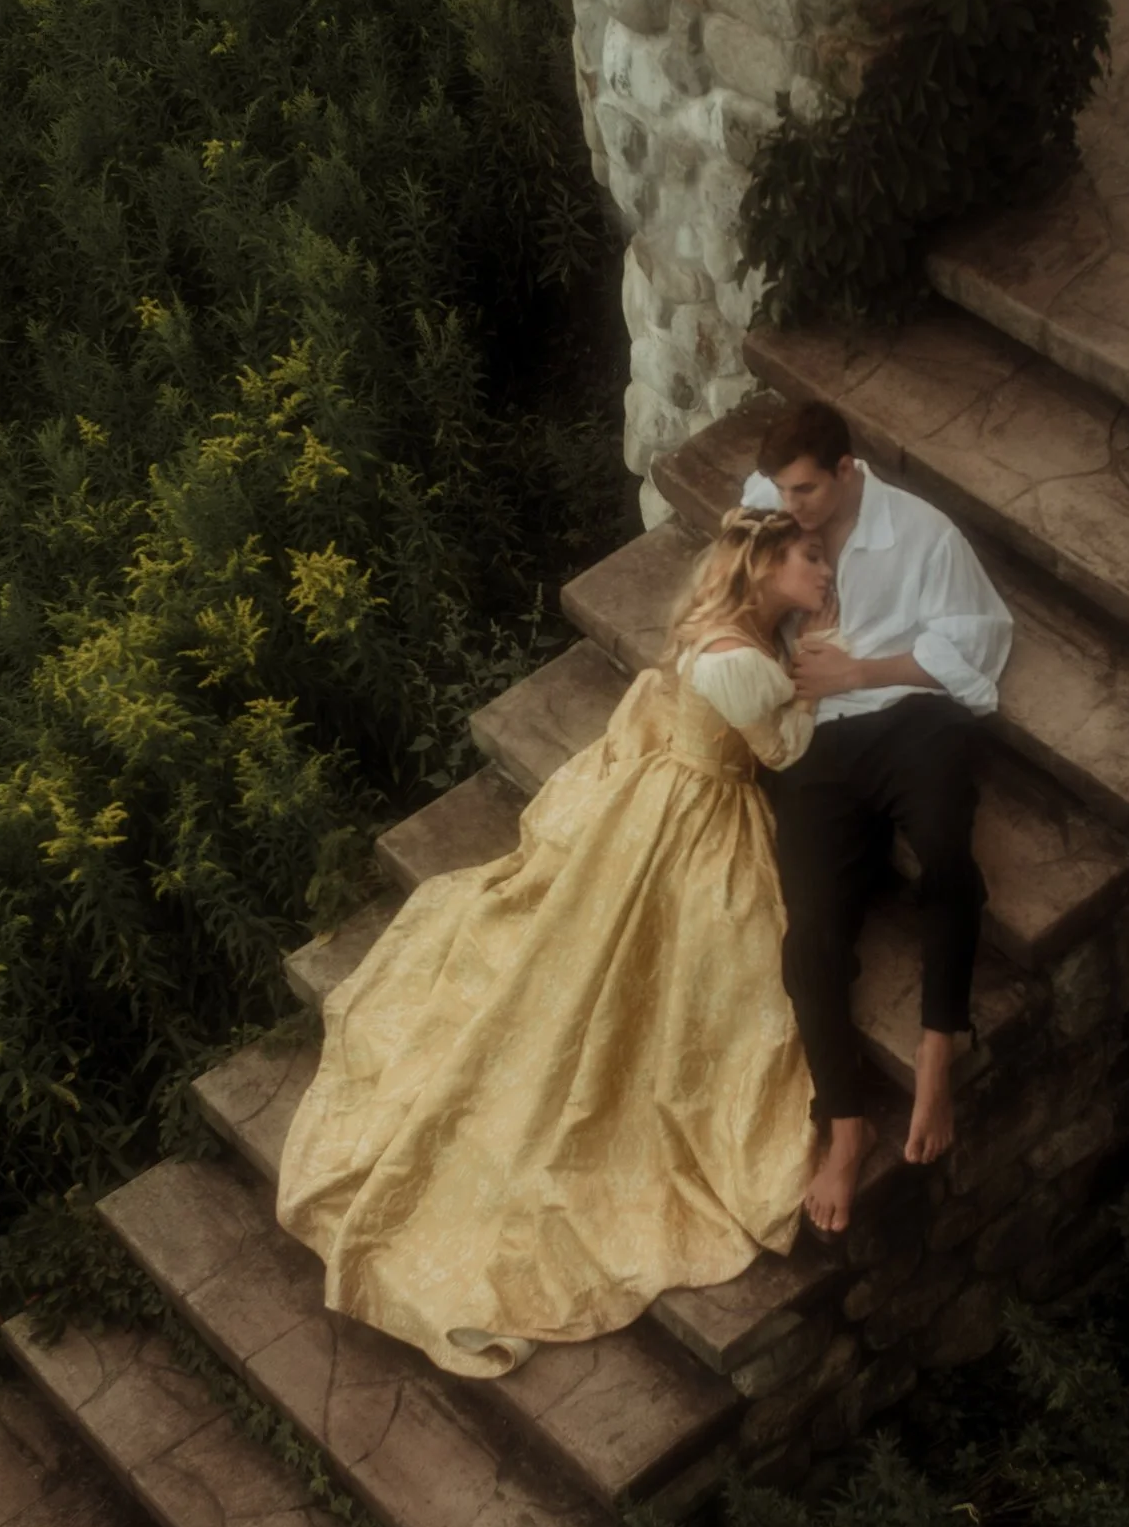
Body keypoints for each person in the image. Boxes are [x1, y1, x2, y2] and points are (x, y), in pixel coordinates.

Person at [274, 509, 833, 1379]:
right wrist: (817, 681)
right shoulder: (743, 663)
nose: (824, 570)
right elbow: (787, 750)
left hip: (656, 798)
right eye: (809, 558)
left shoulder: (717, 635)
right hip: (703, 818)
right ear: (762, 569)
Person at [744, 399, 1013, 1234]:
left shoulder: (925, 536)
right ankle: (848, 1123)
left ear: (848, 471)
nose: (793, 508)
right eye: (785, 490)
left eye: (808, 492)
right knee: (811, 930)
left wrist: (858, 671)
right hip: (822, 739)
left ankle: (939, 1049)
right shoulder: (775, 504)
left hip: (909, 715)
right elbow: (739, 575)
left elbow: (979, 640)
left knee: (941, 854)